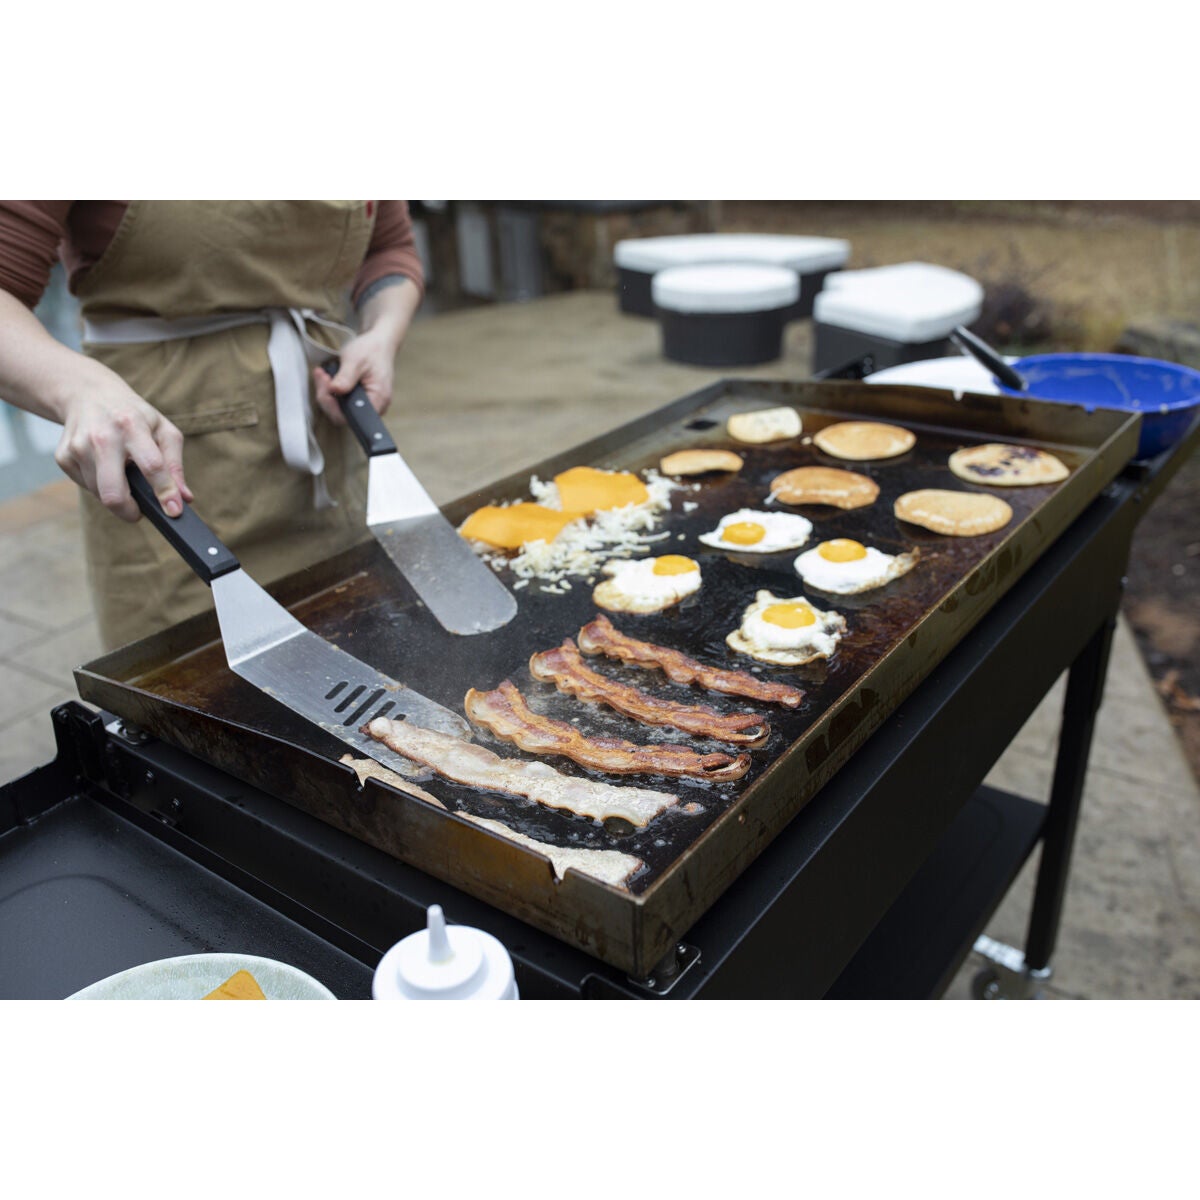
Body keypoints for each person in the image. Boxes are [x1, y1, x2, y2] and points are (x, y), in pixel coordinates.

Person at [0, 200, 424, 649]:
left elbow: (389, 249)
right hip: (167, 491)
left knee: (354, 646)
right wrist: (77, 388)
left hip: (327, 462)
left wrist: (380, 334)